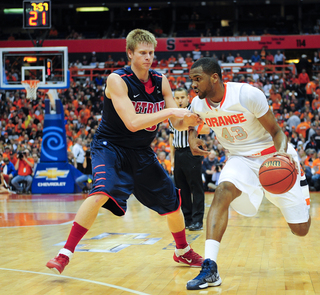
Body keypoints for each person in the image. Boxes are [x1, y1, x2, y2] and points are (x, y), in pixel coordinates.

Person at [46, 28, 204, 275]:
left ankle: (182, 251)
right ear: (130, 53)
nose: (148, 57)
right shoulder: (116, 79)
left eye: (151, 52)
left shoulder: (161, 80)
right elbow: (132, 122)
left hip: (141, 150)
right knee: (100, 192)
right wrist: (171, 112)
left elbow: (177, 123)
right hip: (110, 147)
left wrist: (194, 121)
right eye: (142, 53)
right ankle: (64, 254)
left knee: (173, 203)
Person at [186, 57, 311, 290]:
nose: (193, 84)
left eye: (197, 79)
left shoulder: (246, 95)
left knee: (301, 229)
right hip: (240, 158)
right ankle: (210, 267)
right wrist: (193, 137)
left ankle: (293, 190)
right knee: (221, 191)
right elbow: (193, 122)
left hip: (273, 157)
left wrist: (281, 155)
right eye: (191, 79)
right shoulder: (198, 104)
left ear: (214, 78)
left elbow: (277, 131)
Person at [169, 87, 209, 231]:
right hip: (178, 153)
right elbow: (171, 135)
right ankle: (187, 219)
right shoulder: (172, 114)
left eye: (182, 98)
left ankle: (197, 220)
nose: (180, 100)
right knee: (182, 188)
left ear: (188, 98)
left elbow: (206, 129)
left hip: (191, 152)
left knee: (196, 186)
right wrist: (172, 157)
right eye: (177, 98)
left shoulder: (194, 111)